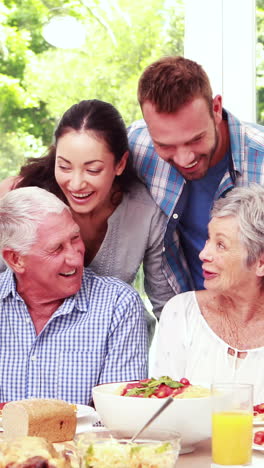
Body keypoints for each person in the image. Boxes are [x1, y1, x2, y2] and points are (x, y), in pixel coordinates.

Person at [0, 99, 175, 325]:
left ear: (120, 164)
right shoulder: (17, 196)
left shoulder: (145, 214)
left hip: (111, 344)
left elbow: (166, 306)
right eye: (64, 166)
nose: (76, 183)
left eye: (93, 169)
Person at [128, 55, 264, 294]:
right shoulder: (137, 145)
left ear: (216, 108)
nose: (184, 159)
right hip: (185, 317)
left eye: (196, 140)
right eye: (166, 145)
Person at [0, 186, 148, 405]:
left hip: (86, 440)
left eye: (75, 238)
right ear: (15, 259)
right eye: (57, 249)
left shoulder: (118, 304)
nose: (75, 258)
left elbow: (121, 416)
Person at [153, 184, 264, 404]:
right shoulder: (181, 313)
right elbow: (160, 412)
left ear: (260, 263)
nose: (204, 254)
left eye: (221, 245)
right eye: (208, 239)